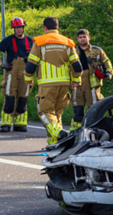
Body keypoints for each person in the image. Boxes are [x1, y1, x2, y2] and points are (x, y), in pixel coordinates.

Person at [24, 17, 81, 145]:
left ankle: (58, 134)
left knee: (44, 112)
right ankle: (54, 145)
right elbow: (77, 65)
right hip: (64, 84)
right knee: (56, 114)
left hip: (47, 84)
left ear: (45, 28)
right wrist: (76, 80)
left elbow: (31, 65)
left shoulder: (39, 42)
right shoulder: (68, 43)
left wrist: (28, 79)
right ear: (57, 27)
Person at [0, 17, 35, 133]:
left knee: (23, 97)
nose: (18, 30)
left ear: (23, 27)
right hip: (12, 71)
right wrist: (2, 65)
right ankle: (6, 124)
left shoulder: (30, 40)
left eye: (20, 27)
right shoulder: (8, 40)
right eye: (16, 28)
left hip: (25, 71)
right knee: (9, 97)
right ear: (13, 29)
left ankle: (20, 124)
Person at [70, 29, 113, 130]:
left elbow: (107, 62)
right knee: (77, 110)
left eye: (84, 37)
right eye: (80, 37)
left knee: (94, 109)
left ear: (88, 38)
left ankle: (95, 130)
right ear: (77, 39)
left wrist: (108, 73)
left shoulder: (97, 50)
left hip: (92, 85)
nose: (82, 39)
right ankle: (76, 131)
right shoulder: (73, 51)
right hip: (77, 83)